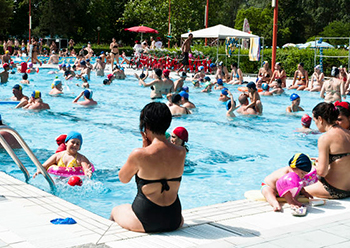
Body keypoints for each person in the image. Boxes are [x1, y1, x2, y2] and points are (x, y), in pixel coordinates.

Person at [110, 102, 186, 233]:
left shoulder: (139, 154)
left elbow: (123, 178)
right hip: (174, 218)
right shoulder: (181, 151)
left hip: (147, 220)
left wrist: (144, 148)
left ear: (146, 125)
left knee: (116, 210)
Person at [305, 102, 350, 199]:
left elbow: (322, 172)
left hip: (333, 190)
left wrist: (316, 166)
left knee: (293, 188)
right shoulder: (348, 133)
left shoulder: (325, 138)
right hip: (348, 189)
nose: (315, 124)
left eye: (315, 120)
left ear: (320, 119)